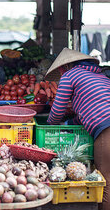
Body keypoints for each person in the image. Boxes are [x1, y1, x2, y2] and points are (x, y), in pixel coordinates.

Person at [45, 47, 110, 210]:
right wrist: (69, 123)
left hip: (106, 129)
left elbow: (58, 109)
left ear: (63, 67)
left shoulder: (69, 75)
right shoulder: (102, 77)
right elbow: (89, 110)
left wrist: (50, 125)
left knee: (106, 183)